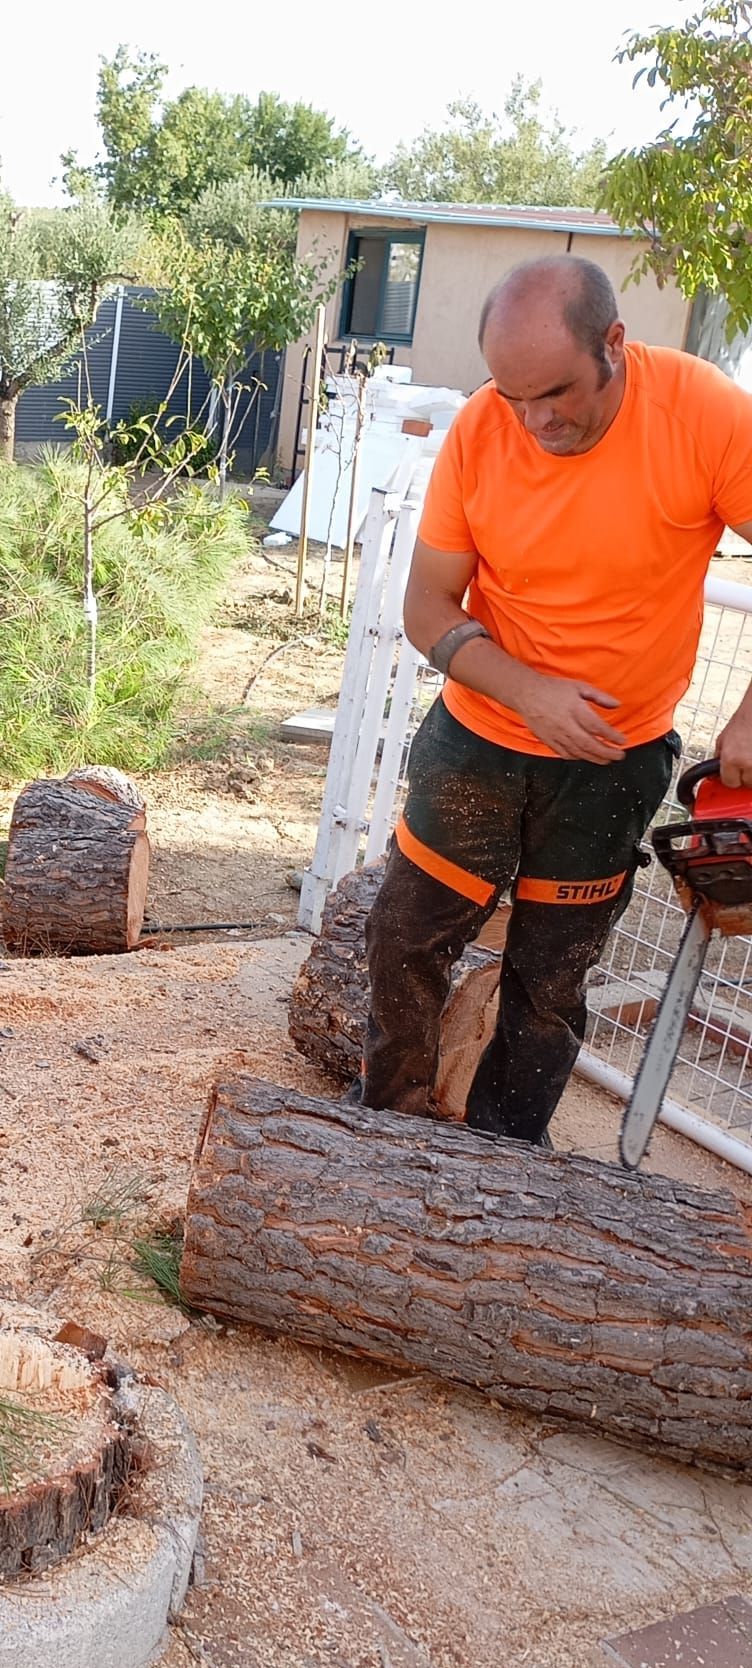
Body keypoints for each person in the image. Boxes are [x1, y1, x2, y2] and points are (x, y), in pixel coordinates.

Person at [357, 254, 752, 1146]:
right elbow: (427, 608)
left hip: (611, 761)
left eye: (556, 394)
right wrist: (528, 691)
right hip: (479, 738)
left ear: (614, 343)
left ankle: (506, 1169)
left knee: (550, 983)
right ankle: (382, 1141)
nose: (534, 421)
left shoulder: (704, 412)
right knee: (403, 939)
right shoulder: (480, 432)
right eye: (511, 396)